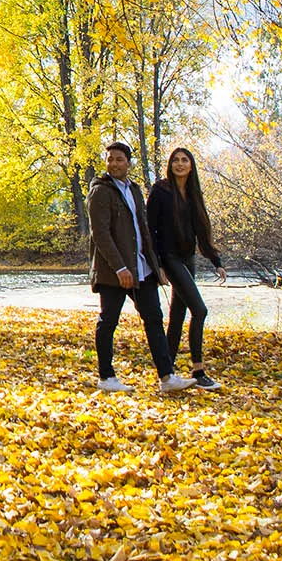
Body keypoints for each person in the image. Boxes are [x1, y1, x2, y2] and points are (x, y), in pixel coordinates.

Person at [87, 140, 191, 393]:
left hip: (141, 268)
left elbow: (143, 230)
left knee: (154, 319)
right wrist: (120, 268)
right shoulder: (100, 191)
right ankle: (106, 377)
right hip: (114, 271)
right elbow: (100, 234)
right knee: (108, 321)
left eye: (119, 159)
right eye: (110, 159)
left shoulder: (133, 189)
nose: (114, 164)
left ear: (128, 163)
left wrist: (156, 266)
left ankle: (167, 377)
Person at [148, 146, 224, 390]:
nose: (180, 164)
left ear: (191, 166)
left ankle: (167, 374)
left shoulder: (193, 194)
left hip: (187, 258)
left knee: (178, 317)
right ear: (170, 165)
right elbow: (151, 229)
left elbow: (202, 230)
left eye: (185, 160)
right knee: (200, 310)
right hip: (169, 258)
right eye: (176, 161)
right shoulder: (160, 190)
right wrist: (157, 264)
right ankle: (198, 370)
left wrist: (216, 262)